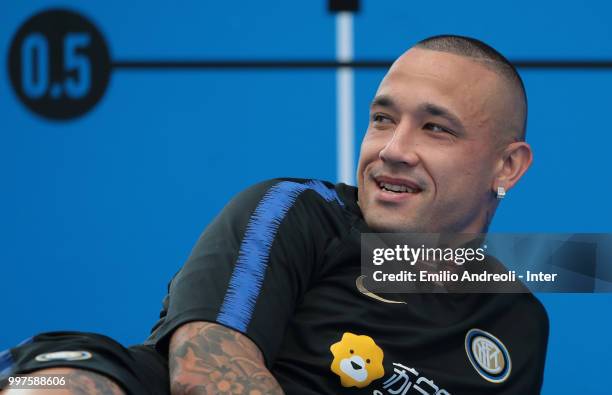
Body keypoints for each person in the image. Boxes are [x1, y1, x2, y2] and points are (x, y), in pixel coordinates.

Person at [1, 35, 548, 395]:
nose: (393, 149)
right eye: (382, 119)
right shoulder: (295, 211)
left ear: (507, 167)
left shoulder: (517, 321)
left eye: (436, 128)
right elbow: (205, 374)